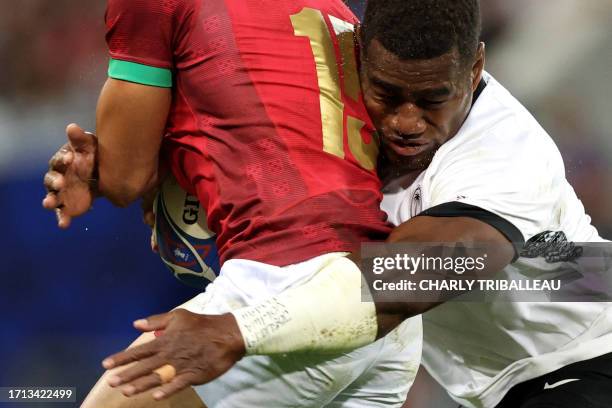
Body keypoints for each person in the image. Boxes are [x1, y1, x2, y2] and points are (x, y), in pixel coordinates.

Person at [98, 0, 612, 407]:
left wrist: (241, 329)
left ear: (476, 66)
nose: (406, 122)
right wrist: (99, 167)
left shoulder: (505, 160)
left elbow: (396, 287)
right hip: (519, 347)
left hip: (582, 362)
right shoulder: (331, 72)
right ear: (359, 50)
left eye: (434, 99)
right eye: (387, 94)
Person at [42, 0, 422, 407]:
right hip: (381, 310)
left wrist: (107, 166)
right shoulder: (341, 14)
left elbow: (126, 178)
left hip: (281, 286)